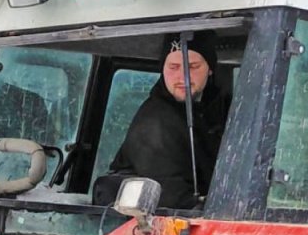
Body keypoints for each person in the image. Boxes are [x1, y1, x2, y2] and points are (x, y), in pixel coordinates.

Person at [99, 31, 231, 210]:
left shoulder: (226, 111)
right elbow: (171, 200)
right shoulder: (153, 124)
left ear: (210, 69)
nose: (183, 77)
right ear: (162, 69)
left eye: (192, 66)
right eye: (174, 67)